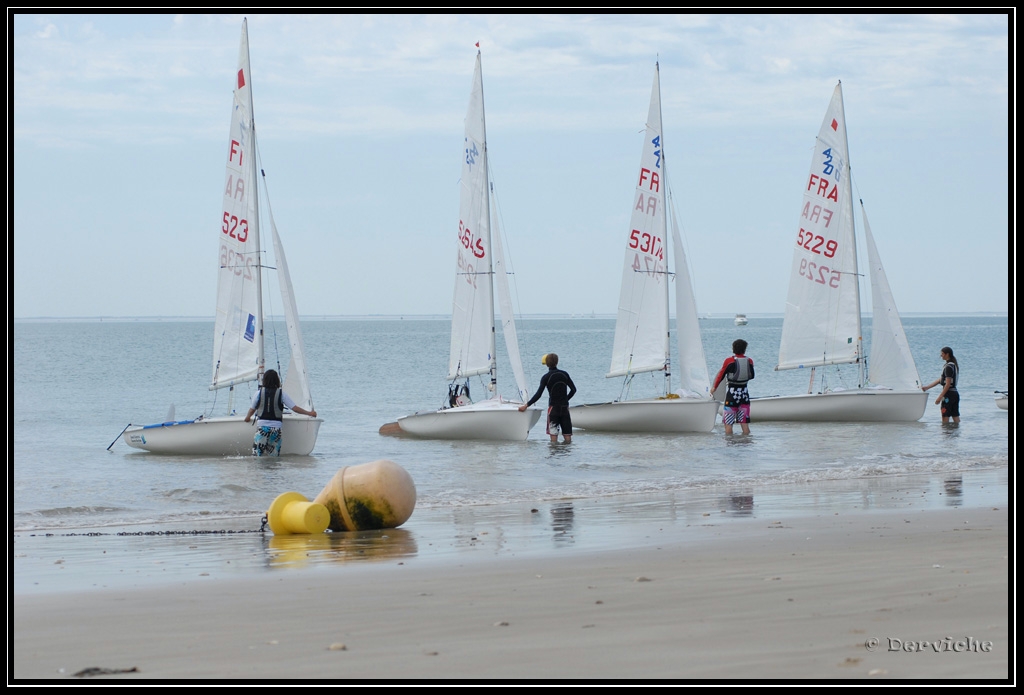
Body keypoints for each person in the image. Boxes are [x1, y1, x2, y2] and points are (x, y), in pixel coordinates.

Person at [244, 369, 317, 456]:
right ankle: (274, 468)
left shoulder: (258, 393)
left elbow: (252, 409)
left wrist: (247, 417)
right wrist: (310, 413)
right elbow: (295, 408)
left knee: (257, 454)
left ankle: (260, 469)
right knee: (273, 456)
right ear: (277, 380)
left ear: (264, 380)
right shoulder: (282, 394)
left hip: (262, 428)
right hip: (276, 429)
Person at [519, 353, 577, 443]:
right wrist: (566, 399)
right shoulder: (564, 374)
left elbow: (538, 394)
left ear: (546, 363)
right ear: (557, 362)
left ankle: (554, 456)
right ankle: (567, 456)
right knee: (567, 436)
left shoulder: (546, 377)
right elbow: (573, 390)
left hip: (553, 409)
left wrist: (526, 405)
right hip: (564, 408)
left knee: (553, 438)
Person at [711, 339, 755, 435]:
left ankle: (730, 446)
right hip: (744, 394)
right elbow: (752, 376)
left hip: (732, 395)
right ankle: (746, 444)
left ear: (733, 349)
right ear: (745, 349)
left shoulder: (729, 361)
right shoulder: (750, 361)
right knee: (744, 423)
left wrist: (714, 387)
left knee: (728, 423)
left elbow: (721, 375)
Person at [922, 347, 960, 424]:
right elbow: (940, 380)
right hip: (955, 394)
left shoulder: (948, 367)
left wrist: (940, 397)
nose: (941, 355)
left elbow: (948, 384)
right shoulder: (953, 365)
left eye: (942, 354)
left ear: (947, 354)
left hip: (948, 395)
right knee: (955, 416)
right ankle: (956, 434)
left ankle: (946, 434)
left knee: (945, 416)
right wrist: (927, 387)